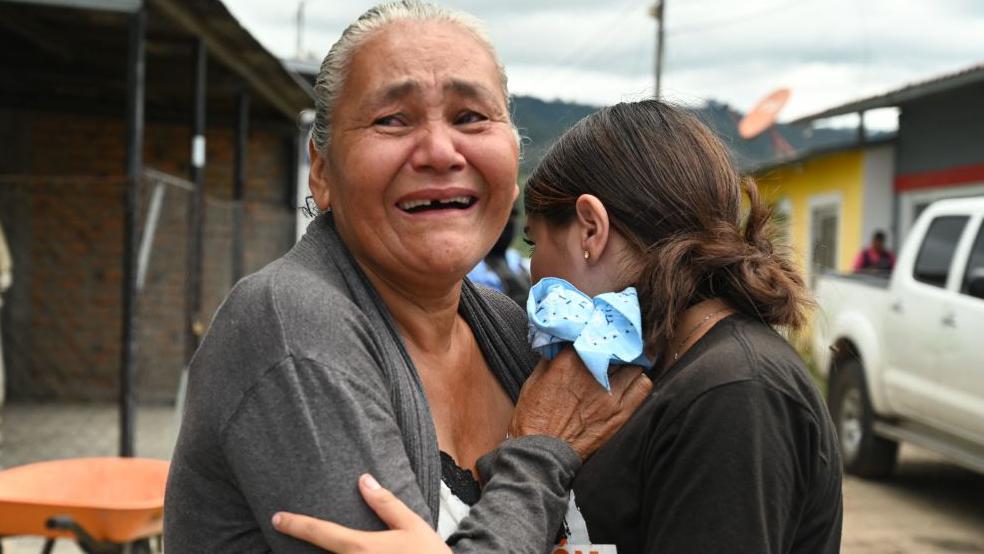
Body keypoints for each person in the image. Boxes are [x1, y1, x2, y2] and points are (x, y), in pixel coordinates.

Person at [162, 2, 651, 552]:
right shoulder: (290, 327)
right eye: (391, 120)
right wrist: (540, 454)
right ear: (321, 171)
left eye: (471, 118)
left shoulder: (510, 330)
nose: (441, 152)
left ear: (514, 156)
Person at [275, 100, 844, 553]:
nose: (536, 272)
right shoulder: (675, 372)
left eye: (535, 244)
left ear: (590, 228)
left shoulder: (735, 394)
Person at [466, 210, 531, 306]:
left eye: (511, 218)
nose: (507, 225)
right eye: (502, 218)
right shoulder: (470, 268)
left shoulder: (515, 258)